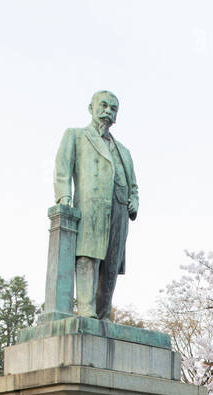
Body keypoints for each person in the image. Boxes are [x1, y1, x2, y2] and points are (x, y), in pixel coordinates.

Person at [53, 90, 139, 320]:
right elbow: (63, 169)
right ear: (90, 107)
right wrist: (64, 197)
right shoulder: (76, 136)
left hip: (119, 210)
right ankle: (86, 309)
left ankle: (102, 313)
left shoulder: (124, 151)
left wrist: (134, 201)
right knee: (88, 256)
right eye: (103, 105)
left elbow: (133, 185)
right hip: (91, 206)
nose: (108, 111)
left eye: (113, 108)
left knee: (111, 264)